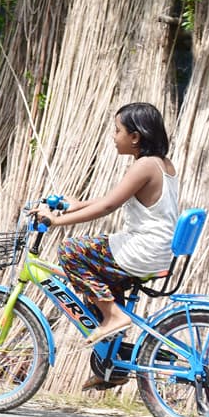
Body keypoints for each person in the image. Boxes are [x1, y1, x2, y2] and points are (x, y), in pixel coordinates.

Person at [33, 102, 179, 358]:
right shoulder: (161, 164)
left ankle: (112, 317)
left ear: (135, 137)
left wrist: (55, 221)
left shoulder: (144, 166)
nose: (114, 137)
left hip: (142, 251)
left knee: (70, 250)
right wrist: (75, 206)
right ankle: (113, 361)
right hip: (156, 251)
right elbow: (112, 198)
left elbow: (108, 206)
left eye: (117, 130)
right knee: (96, 285)